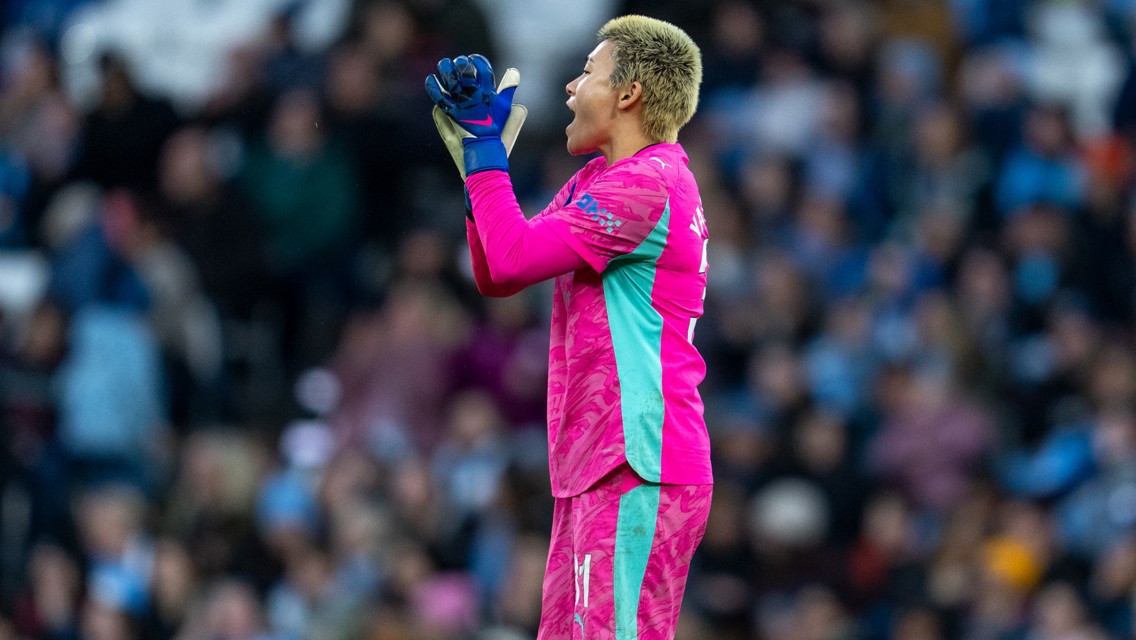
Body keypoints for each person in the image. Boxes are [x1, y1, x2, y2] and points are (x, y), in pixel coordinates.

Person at [426, 14, 713, 639]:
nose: (570, 87)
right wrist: (480, 159)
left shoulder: (647, 184)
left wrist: (485, 151)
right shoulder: (602, 180)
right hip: (598, 459)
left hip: (638, 460)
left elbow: (511, 258)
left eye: (587, 72)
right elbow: (499, 273)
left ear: (628, 94)